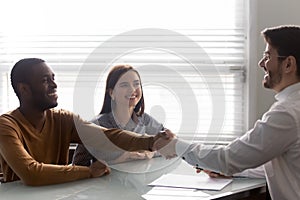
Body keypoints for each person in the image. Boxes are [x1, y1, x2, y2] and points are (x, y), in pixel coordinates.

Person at [154, 25, 300, 200]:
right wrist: (233, 170)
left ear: (289, 64)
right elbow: (278, 161)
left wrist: (175, 145)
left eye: (267, 56)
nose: (261, 63)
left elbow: (228, 157)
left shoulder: (287, 114)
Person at [0, 58, 165, 186]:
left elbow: (108, 136)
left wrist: (151, 141)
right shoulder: (6, 125)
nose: (54, 85)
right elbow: (31, 174)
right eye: (45, 81)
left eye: (53, 78)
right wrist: (88, 172)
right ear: (24, 89)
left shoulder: (63, 119)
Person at [73, 64, 164, 166]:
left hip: (140, 181)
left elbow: (171, 143)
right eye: (124, 85)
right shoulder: (94, 127)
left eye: (136, 84)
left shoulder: (145, 120)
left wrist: (152, 153)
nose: (132, 89)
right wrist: (121, 159)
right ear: (112, 93)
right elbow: (77, 166)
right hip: (106, 181)